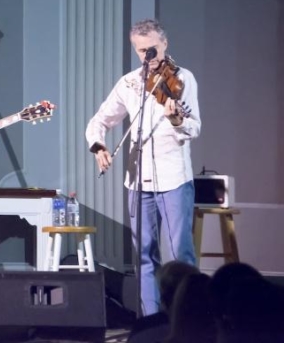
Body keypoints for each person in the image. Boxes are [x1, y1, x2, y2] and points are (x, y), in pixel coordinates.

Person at [86, 19, 201, 316]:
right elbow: (99, 120)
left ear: (164, 44)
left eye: (152, 49)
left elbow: (193, 127)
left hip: (174, 178)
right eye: (141, 51)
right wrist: (98, 145)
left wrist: (176, 119)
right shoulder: (130, 83)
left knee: (180, 255)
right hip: (138, 182)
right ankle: (150, 321)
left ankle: (184, 320)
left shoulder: (183, 79)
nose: (148, 56)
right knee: (145, 256)